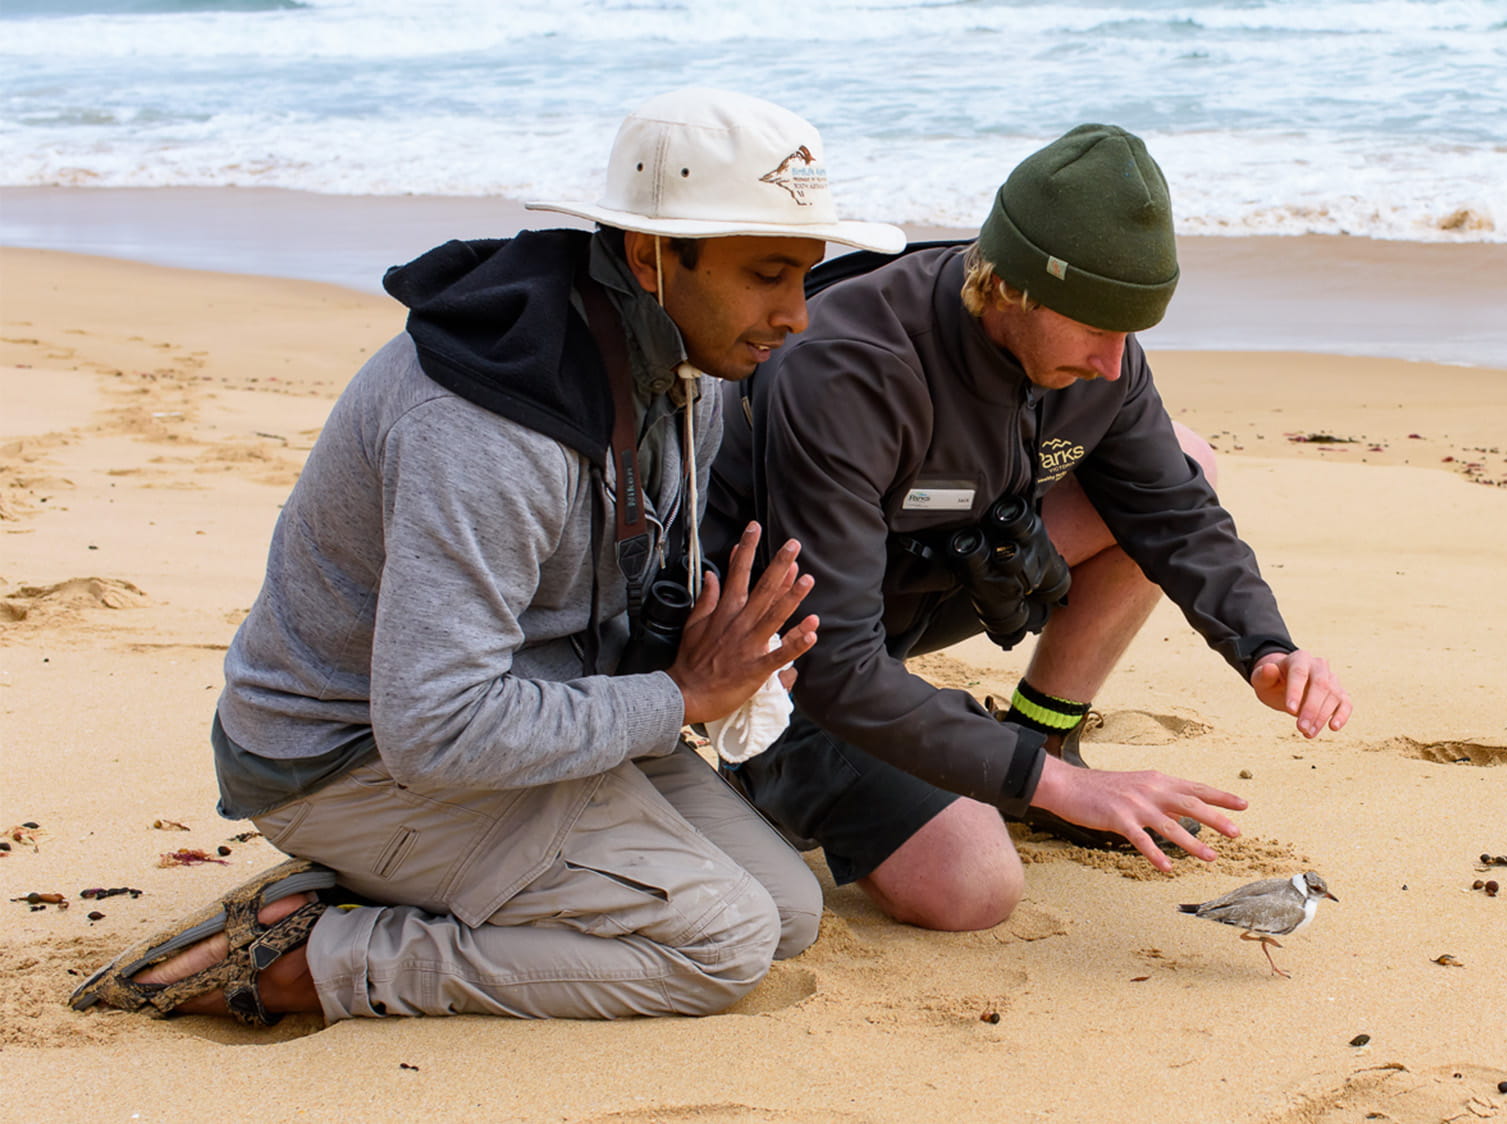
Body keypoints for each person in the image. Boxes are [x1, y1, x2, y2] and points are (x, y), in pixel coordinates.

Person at [69, 88, 905, 1025]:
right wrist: (679, 697)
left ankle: (376, 886)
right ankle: (315, 961)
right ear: (651, 256)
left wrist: (710, 648)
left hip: (522, 716)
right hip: (349, 758)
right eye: (767, 274)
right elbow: (432, 727)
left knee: (786, 912)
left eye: (806, 275)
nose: (797, 314)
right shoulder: (487, 429)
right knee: (725, 945)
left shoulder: (683, 370)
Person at [704, 124, 1351, 932]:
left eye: (1132, 331)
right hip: (795, 657)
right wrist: (1060, 797)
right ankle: (766, 770)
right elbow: (833, 654)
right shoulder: (849, 366)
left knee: (1187, 461)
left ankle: (1045, 741)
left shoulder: (1100, 355)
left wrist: (1266, 648)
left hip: (943, 576)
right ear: (1009, 288)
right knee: (972, 888)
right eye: (1097, 329)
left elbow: (1173, 511)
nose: (1116, 364)